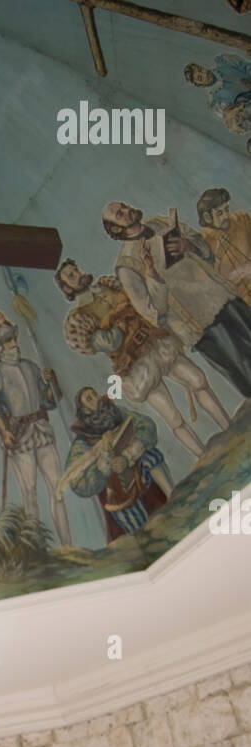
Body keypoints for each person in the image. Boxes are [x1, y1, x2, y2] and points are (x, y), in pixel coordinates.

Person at [55, 257, 229, 456]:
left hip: (154, 342)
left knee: (198, 380)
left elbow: (137, 303)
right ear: (67, 288)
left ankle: (230, 427)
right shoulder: (78, 318)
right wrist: (121, 315)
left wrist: (117, 316)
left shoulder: (107, 285)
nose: (77, 275)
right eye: (70, 276)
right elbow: (110, 341)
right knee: (173, 418)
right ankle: (204, 456)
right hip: (134, 365)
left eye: (75, 269)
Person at [103, 200, 251, 398]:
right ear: (115, 228)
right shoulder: (127, 265)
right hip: (199, 322)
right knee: (243, 366)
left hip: (220, 295)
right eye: (119, 214)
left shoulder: (160, 223)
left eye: (124, 207)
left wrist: (188, 245)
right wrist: (151, 274)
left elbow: (206, 251)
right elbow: (153, 314)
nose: (127, 211)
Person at [0, 311, 71, 544]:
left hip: (41, 429)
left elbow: (50, 401)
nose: (14, 344)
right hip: (19, 435)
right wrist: (3, 431)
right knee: (29, 493)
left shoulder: (30, 366)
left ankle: (68, 544)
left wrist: (52, 382)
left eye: (13, 339)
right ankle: (38, 547)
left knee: (57, 489)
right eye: (8, 341)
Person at [59, 387, 172, 541]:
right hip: (115, 489)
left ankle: (174, 498)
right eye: (89, 399)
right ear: (84, 411)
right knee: (141, 530)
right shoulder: (82, 442)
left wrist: (128, 455)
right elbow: (77, 482)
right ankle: (145, 540)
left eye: (94, 394)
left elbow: (146, 425)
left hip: (137, 471)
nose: (96, 398)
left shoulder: (117, 413)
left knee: (151, 456)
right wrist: (104, 459)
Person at [197, 187, 251, 307]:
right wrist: (218, 257)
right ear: (207, 217)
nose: (226, 216)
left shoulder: (241, 220)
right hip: (243, 302)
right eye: (219, 213)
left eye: (226, 209)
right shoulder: (203, 245)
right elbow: (214, 287)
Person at [184, 56, 251, 151]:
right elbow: (238, 121)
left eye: (200, 69)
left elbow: (246, 66)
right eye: (200, 77)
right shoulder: (217, 103)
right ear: (200, 85)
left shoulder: (224, 61)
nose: (205, 74)